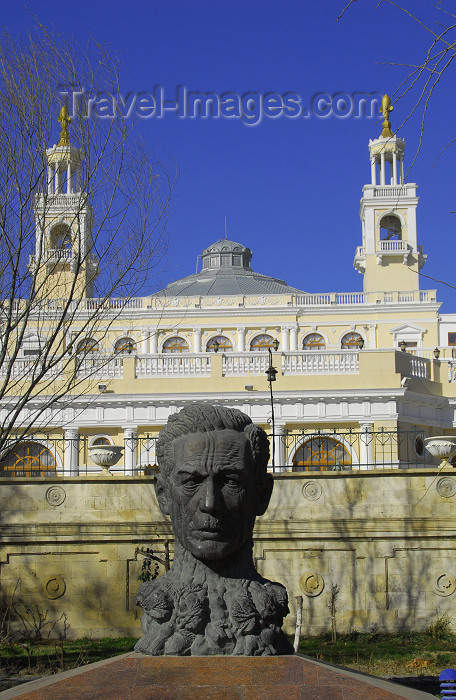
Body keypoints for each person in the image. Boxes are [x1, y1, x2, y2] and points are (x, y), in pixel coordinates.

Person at [135, 404, 294, 656]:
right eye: (191, 481)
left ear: (261, 495)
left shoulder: (267, 606)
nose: (210, 503)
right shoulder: (160, 604)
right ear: (163, 495)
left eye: (230, 481)